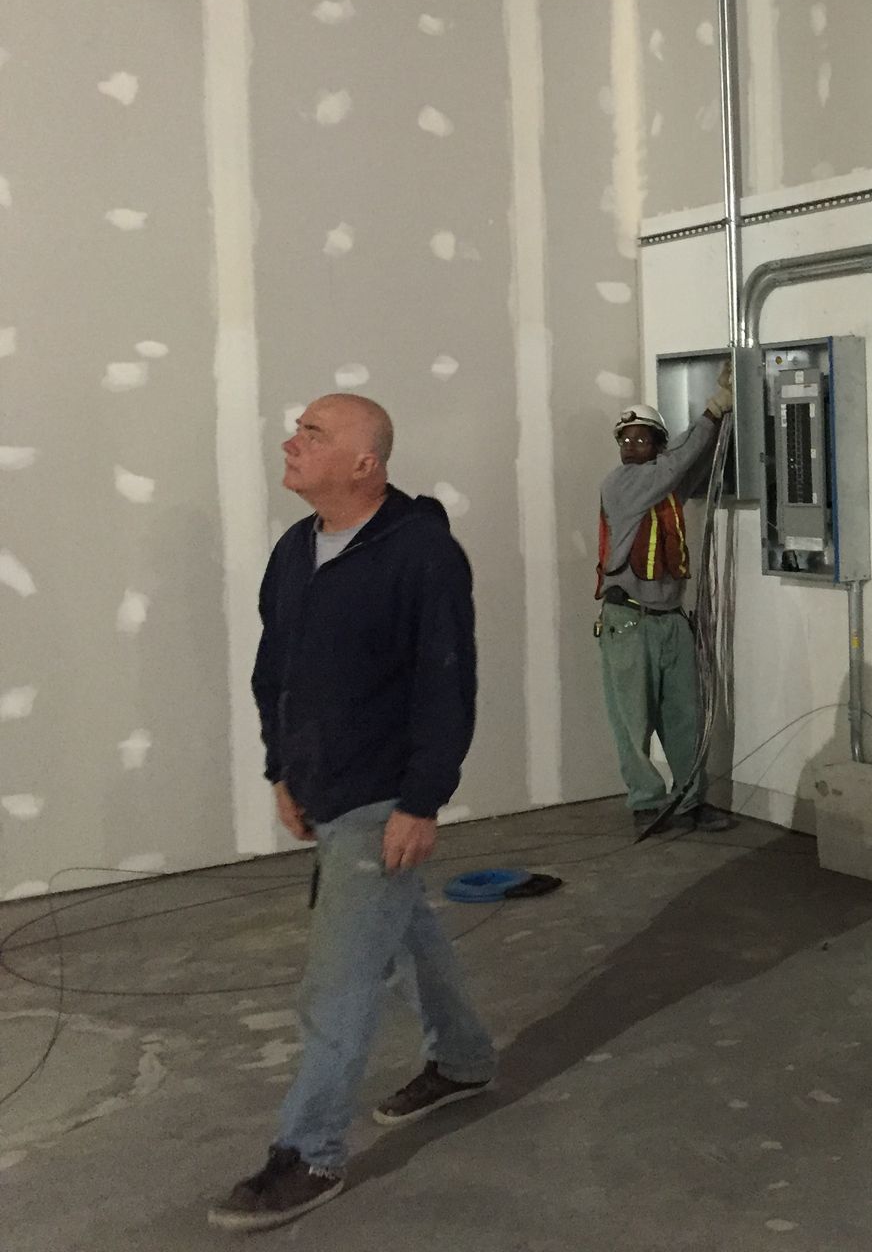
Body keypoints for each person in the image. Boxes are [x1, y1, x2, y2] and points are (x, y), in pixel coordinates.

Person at [211, 394, 496, 1233]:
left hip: (381, 793)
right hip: (323, 785)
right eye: (297, 431)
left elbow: (447, 684)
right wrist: (282, 769)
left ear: (364, 464)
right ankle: (467, 1058)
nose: (291, 443)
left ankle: (311, 1152)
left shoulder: (422, 555)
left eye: (313, 434)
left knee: (335, 981)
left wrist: (420, 802)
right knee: (403, 933)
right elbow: (278, 672)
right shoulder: (295, 551)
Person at [597, 360, 735, 836]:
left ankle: (690, 801)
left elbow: (687, 466)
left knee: (685, 718)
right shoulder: (623, 484)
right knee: (632, 724)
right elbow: (678, 463)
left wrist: (722, 425)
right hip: (628, 621)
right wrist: (714, 409)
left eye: (641, 438)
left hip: (671, 619)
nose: (631, 445)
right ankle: (645, 804)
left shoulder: (665, 486)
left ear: (657, 442)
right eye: (625, 438)